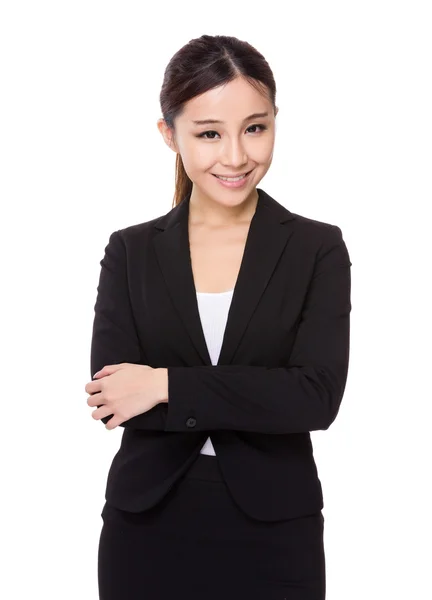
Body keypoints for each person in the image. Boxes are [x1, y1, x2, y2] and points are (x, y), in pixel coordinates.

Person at [86, 34, 352, 600]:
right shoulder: (130, 252)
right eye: (209, 134)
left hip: (276, 530)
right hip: (147, 527)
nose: (236, 156)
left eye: (255, 127)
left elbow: (315, 398)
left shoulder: (316, 248)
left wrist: (163, 385)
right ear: (169, 135)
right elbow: (113, 400)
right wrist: (257, 394)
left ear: (275, 122)